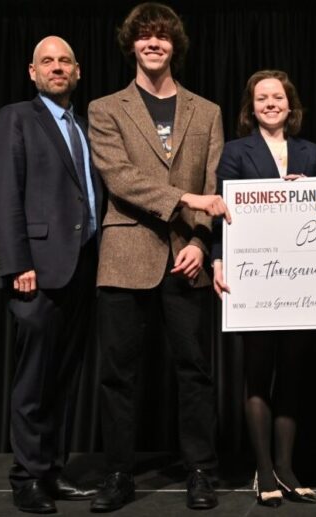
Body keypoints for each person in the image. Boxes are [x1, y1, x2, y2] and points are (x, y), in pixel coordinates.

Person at [87, 3, 230, 512]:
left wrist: (198, 242)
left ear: (175, 45)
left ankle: (200, 471)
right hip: (126, 253)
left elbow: (213, 184)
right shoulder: (105, 109)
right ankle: (119, 473)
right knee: (118, 374)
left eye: (162, 37)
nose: (153, 44)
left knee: (194, 370)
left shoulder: (206, 111)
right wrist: (186, 201)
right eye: (144, 37)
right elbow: (119, 177)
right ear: (131, 45)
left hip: (185, 254)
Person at [0, 35, 102, 513]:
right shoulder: (16, 117)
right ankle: (27, 477)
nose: (57, 68)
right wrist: (18, 264)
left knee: (63, 378)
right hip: (36, 269)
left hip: (83, 267)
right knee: (34, 380)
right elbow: (4, 193)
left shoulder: (86, 124)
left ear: (77, 71)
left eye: (65, 61)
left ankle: (52, 470)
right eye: (47, 62)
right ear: (32, 73)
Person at [212, 69, 316, 507]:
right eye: (262, 98)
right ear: (251, 106)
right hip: (255, 278)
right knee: (258, 375)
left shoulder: (310, 153)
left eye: (278, 97)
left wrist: (311, 191)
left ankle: (287, 467)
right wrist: (218, 259)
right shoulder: (236, 151)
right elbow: (224, 208)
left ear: (290, 104)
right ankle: (263, 471)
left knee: (292, 377)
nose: (271, 104)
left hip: (303, 278)